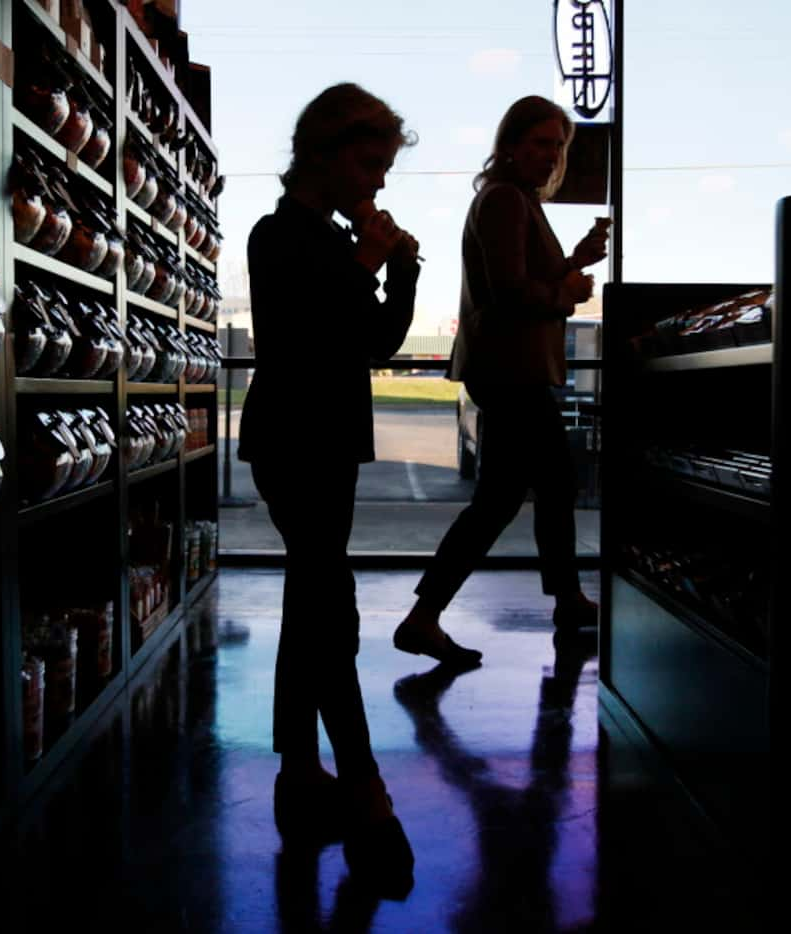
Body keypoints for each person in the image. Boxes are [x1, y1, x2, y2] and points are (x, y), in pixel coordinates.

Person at [237, 82, 421, 895]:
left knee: (313, 602)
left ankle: (299, 771)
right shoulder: (276, 235)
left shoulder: (337, 241)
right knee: (329, 604)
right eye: (370, 163)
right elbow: (302, 335)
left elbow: (373, 340)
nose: (378, 182)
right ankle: (364, 789)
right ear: (324, 151)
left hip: (328, 442)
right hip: (292, 440)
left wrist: (402, 271)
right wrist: (367, 261)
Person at [393, 96, 608, 667]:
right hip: (513, 370)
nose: (550, 155)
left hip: (508, 369)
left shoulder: (511, 200)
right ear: (509, 145)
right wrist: (564, 293)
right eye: (540, 143)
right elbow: (510, 292)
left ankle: (429, 615)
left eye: (558, 146)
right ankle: (559, 602)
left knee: (507, 498)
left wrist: (573, 262)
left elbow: (518, 283)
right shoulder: (507, 202)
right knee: (539, 491)